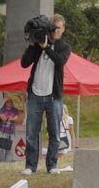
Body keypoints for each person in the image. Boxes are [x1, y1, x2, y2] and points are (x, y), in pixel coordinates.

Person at [21, 13, 71, 175]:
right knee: (31, 133)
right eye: (53, 27)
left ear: (63, 30)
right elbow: (24, 64)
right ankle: (30, 166)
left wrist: (46, 47)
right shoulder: (37, 44)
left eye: (59, 28)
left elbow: (59, 61)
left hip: (53, 96)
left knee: (54, 133)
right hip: (35, 94)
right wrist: (31, 44)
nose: (56, 31)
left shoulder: (64, 47)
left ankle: (52, 165)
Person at [0, 98, 21, 163]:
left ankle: (7, 162)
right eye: (8, 102)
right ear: (5, 103)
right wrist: (12, 118)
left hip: (11, 132)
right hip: (3, 131)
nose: (9, 103)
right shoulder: (2, 109)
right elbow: (3, 118)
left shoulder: (15, 110)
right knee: (1, 148)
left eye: (10, 102)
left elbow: (17, 119)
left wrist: (10, 118)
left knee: (9, 148)